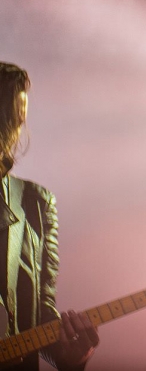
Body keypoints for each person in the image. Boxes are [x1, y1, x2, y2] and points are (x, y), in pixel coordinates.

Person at [0, 62, 99, 370]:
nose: (16, 129)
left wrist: (73, 358)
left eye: (16, 120)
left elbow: (43, 315)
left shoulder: (36, 203)